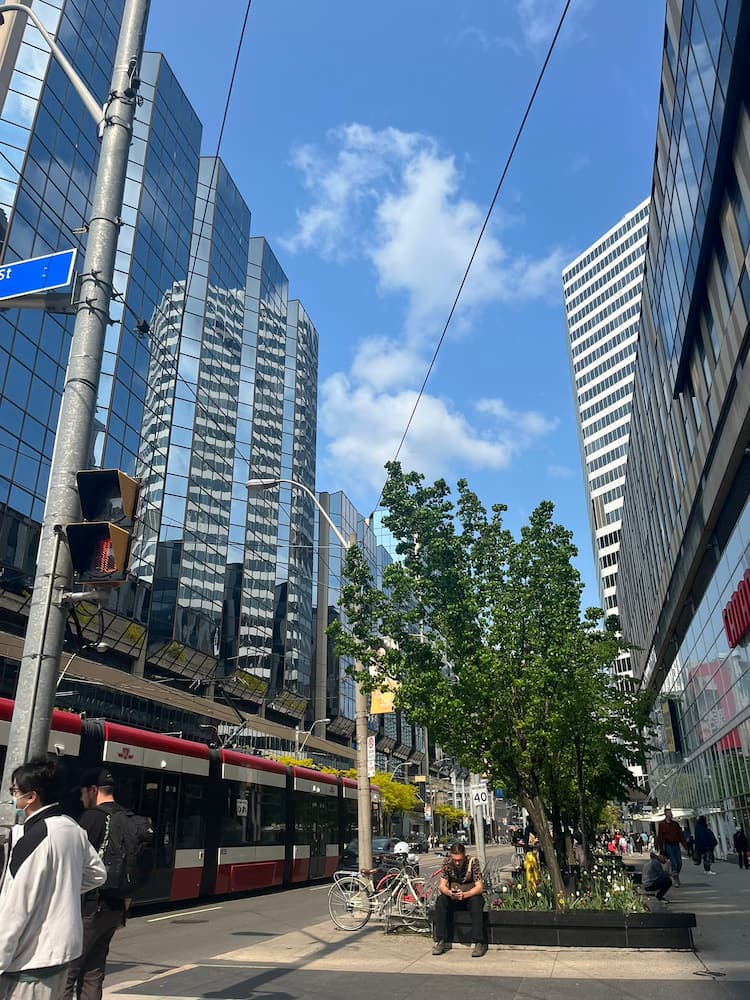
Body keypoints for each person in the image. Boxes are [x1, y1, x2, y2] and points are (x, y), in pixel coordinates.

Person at [0, 756, 106, 1000]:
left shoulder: (33, 838)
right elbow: (98, 874)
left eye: (14, 790)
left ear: (31, 796)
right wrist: (62, 889)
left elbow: (14, 910)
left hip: (28, 964)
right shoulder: (71, 827)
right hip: (61, 958)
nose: (12, 795)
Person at [63, 768, 129, 1000]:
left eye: (82, 793)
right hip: (114, 908)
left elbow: (75, 861)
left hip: (88, 907)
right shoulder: (126, 816)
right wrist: (124, 908)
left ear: (93, 790)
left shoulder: (92, 818)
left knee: (66, 974)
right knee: (93, 973)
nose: (81, 798)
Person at [432, 842, 487, 958]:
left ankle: (479, 941)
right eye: (455, 860)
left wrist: (465, 895)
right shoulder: (447, 863)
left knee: (477, 902)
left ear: (464, 856)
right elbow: (442, 886)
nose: (457, 863)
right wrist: (449, 893)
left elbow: (479, 887)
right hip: (454, 896)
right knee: (441, 901)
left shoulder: (472, 862)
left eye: (460, 860)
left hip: (469, 896)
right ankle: (440, 940)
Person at [656, 808, 688, 886]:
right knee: (674, 862)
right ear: (665, 814)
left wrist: (685, 845)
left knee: (679, 862)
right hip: (668, 845)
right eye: (668, 813)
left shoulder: (675, 824)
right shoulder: (662, 824)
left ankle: (675, 874)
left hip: (676, 844)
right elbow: (660, 836)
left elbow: (680, 835)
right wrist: (661, 849)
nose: (670, 814)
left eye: (670, 813)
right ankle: (676, 879)